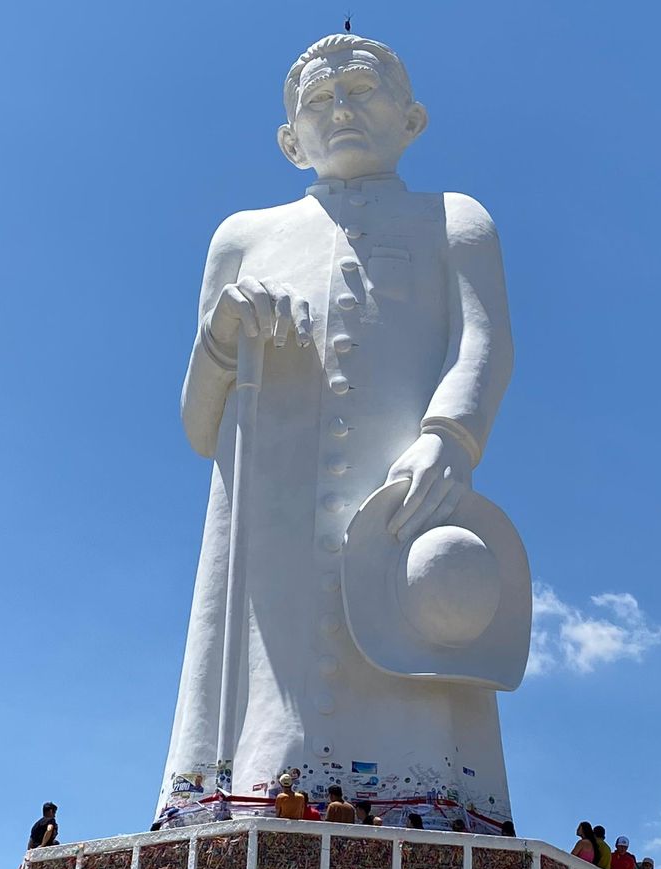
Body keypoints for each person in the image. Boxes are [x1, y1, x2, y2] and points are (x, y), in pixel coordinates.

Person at [160, 31, 519, 828]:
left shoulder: (452, 219)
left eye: (361, 90)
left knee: (411, 675)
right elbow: (196, 423)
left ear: (412, 119)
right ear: (291, 141)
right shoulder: (242, 236)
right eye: (319, 101)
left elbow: (484, 343)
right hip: (267, 518)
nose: (342, 109)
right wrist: (220, 338)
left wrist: (448, 437)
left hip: (402, 504)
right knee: (263, 677)